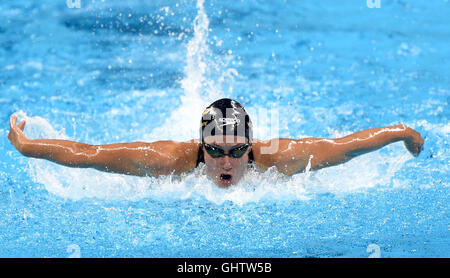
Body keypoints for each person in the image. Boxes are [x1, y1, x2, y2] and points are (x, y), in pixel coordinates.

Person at [8, 98, 424, 188]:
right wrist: (27, 146)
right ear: (201, 147)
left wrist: (400, 132)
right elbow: (91, 155)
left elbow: (345, 146)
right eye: (216, 152)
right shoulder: (167, 160)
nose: (227, 163)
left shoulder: (281, 158)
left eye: (238, 151)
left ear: (251, 145)